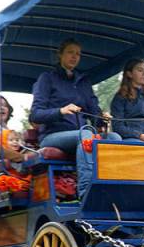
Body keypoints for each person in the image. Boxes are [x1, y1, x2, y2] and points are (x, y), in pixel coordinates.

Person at [29, 39, 121, 198]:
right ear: (60, 55)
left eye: (78, 54)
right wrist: (61, 111)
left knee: (114, 138)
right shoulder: (47, 78)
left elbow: (94, 113)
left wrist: (103, 118)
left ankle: (113, 188)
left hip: (81, 135)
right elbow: (35, 115)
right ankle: (87, 193)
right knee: (85, 134)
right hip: (52, 136)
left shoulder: (83, 82)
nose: (74, 56)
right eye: (70, 52)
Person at [110, 59, 144, 143]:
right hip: (130, 139)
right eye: (140, 70)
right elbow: (118, 126)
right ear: (129, 74)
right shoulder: (119, 98)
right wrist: (140, 135)